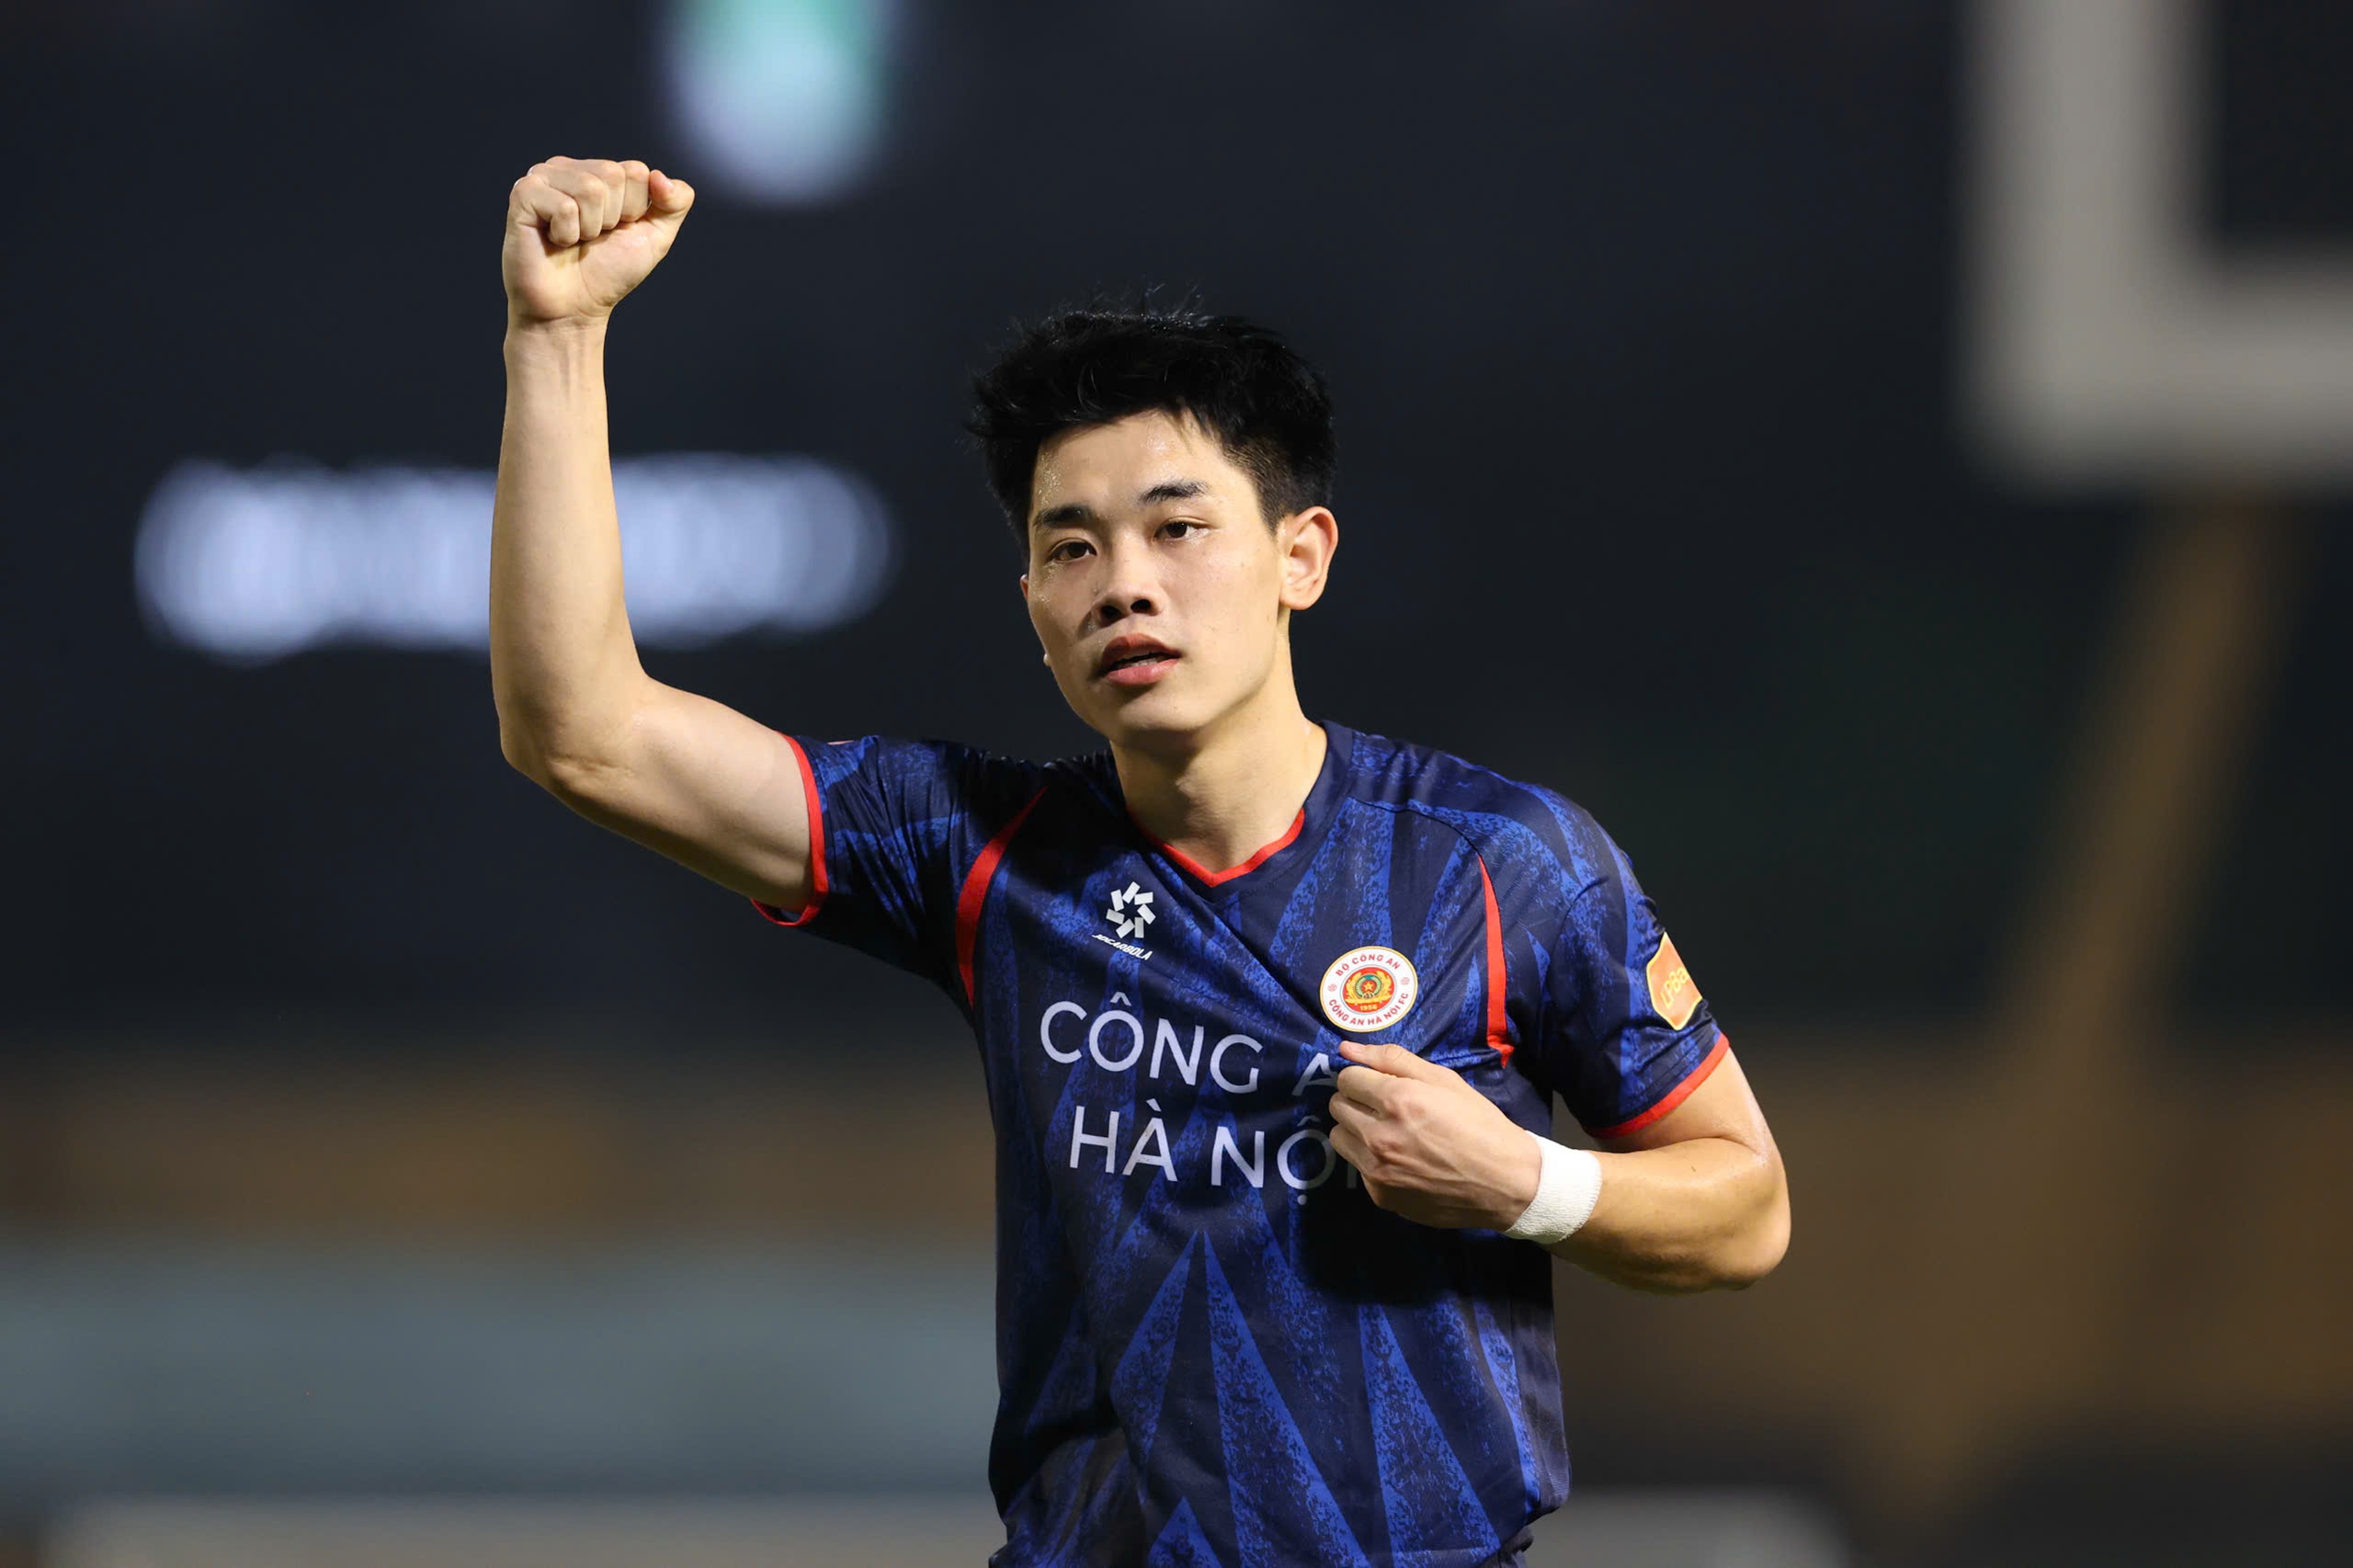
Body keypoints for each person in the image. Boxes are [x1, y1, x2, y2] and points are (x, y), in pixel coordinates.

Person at [492, 155, 1790, 1568]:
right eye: (1072, 548)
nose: (1124, 582)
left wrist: (1524, 1180)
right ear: (1033, 604)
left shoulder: (1505, 862)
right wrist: (556, 336)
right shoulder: (981, 849)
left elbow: (1745, 1207)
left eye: (1178, 528)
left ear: (1302, 555)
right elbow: (584, 734)